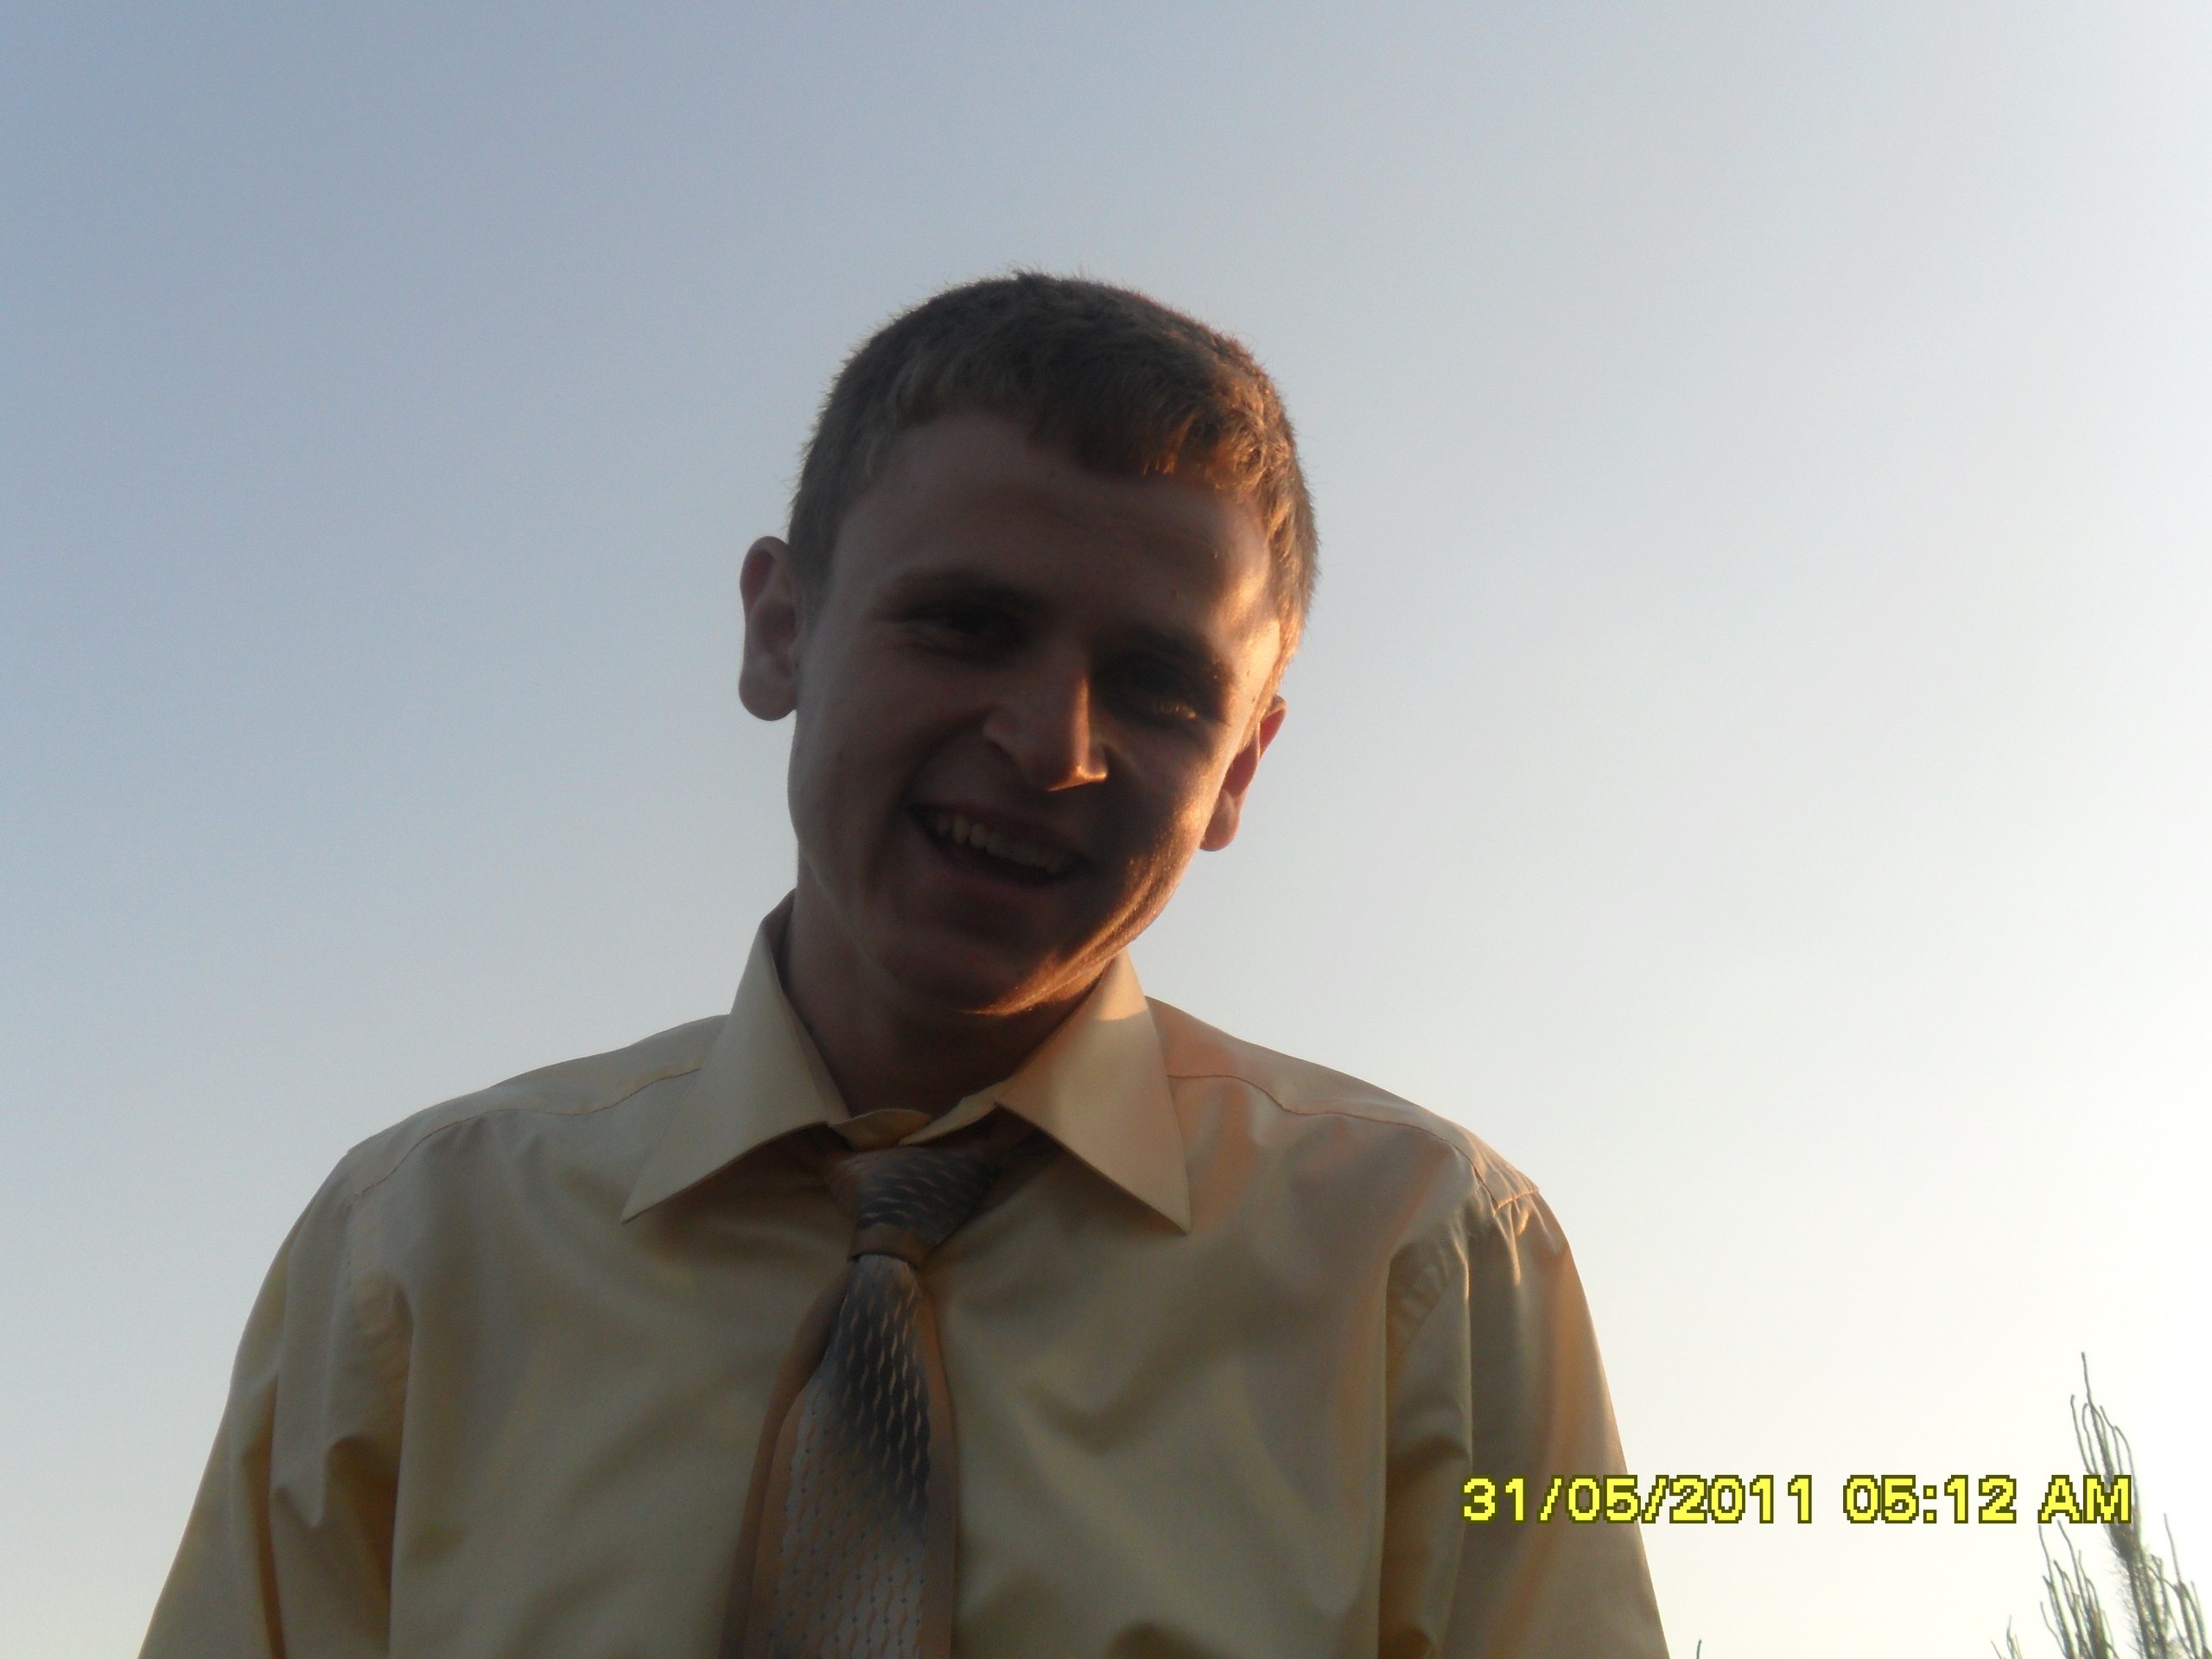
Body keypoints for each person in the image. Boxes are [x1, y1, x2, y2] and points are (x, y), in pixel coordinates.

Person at [142, 273, 1668, 1658]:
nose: (1050, 745)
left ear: (1243, 770)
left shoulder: (1429, 1269)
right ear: (779, 629)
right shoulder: (414, 1260)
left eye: (1157, 684)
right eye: (967, 624)